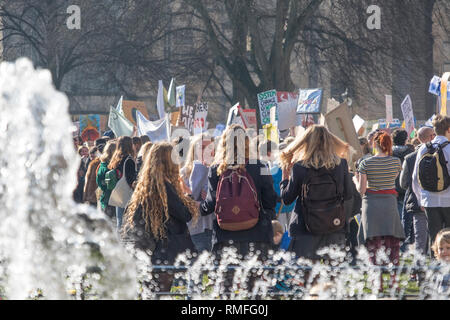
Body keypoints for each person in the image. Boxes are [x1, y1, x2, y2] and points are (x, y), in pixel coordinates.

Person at [199, 124, 277, 292]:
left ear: (224, 143)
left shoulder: (216, 169)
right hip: (256, 235)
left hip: (225, 236)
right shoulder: (261, 166)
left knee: (225, 288)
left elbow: (210, 205)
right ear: (247, 142)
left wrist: (197, 207)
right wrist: (266, 215)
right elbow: (270, 199)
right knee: (254, 289)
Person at [121, 142, 199, 294]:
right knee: (160, 293)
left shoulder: (146, 186)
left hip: (149, 249)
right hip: (164, 251)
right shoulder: (166, 188)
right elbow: (185, 214)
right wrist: (188, 195)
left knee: (153, 293)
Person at [280, 125, 353, 262]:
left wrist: (285, 179)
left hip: (304, 227)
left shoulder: (300, 167)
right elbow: (348, 194)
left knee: (306, 274)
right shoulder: (341, 164)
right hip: (334, 225)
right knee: (333, 274)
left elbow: (287, 199)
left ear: (306, 142)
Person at [355, 131, 405, 291]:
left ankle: (378, 283)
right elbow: (394, 179)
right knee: (393, 242)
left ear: (374, 144)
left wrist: (355, 179)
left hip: (371, 203)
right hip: (389, 203)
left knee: (373, 244)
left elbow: (362, 190)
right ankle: (394, 281)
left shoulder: (365, 163)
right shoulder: (396, 162)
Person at [413, 115, 450, 257]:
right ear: (448, 129)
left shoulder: (423, 149)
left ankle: (435, 270)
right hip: (448, 198)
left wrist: (420, 199)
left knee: (434, 237)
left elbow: (415, 177)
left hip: (429, 199)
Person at [400, 126, 435, 255]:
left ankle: (420, 269)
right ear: (432, 137)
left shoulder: (409, 158)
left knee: (420, 238)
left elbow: (403, 183)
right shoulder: (441, 152)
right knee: (438, 235)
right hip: (439, 201)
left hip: (417, 202)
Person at [180, 133, 215, 253]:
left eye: (210, 147)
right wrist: (200, 167)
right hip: (194, 229)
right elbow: (190, 197)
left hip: (215, 228)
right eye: (202, 147)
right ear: (194, 150)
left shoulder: (218, 170)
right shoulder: (184, 173)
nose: (207, 151)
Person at [108, 136, 137, 230]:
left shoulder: (118, 158)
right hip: (126, 191)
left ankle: (118, 240)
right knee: (126, 221)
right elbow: (130, 179)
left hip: (118, 189)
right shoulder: (129, 160)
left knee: (119, 220)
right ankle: (122, 241)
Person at [96, 140, 117, 219]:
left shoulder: (102, 164)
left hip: (105, 198)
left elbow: (99, 181)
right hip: (111, 199)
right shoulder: (110, 166)